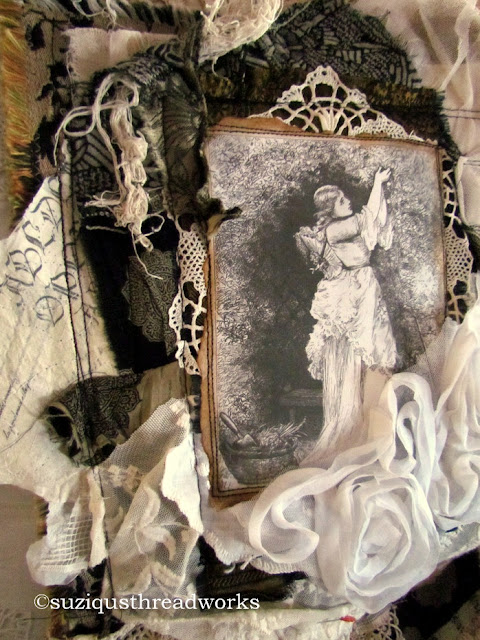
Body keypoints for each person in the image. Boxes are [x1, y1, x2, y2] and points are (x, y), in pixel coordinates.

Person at [295, 167, 396, 462]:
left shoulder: (343, 227)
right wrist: (377, 183)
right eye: (341, 201)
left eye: (344, 198)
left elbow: (373, 222)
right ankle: (351, 428)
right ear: (329, 210)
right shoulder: (334, 230)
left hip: (365, 287)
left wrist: (378, 187)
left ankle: (373, 426)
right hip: (351, 292)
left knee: (377, 349)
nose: (348, 201)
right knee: (355, 351)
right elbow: (367, 218)